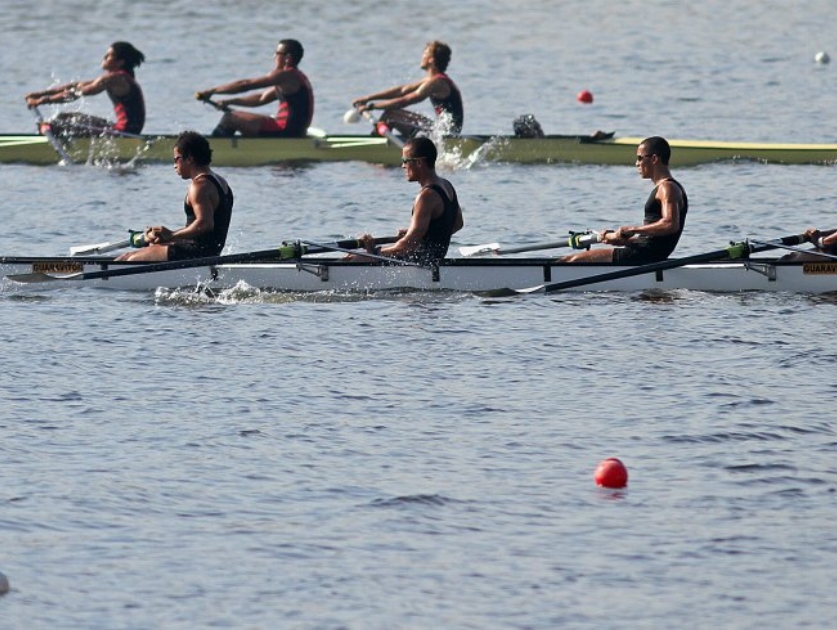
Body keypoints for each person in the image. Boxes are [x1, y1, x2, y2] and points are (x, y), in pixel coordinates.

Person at [561, 136, 688, 264]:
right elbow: (655, 239)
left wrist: (633, 229)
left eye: (640, 158)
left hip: (644, 256)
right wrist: (625, 241)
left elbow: (670, 224)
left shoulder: (667, 188)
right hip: (644, 252)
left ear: (654, 159)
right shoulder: (666, 187)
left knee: (570, 261)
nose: (636, 163)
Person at [116, 131, 233, 262]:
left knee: (127, 259)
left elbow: (205, 224)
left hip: (195, 254)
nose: (174, 165)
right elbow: (205, 233)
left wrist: (171, 235)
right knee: (149, 246)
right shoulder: (221, 182)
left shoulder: (199, 186)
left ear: (190, 158)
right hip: (206, 252)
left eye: (177, 159)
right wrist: (167, 237)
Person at [346, 137, 464, 265]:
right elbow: (458, 223)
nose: (402, 166)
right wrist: (420, 235)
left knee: (352, 258)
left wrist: (373, 252)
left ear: (419, 162)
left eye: (405, 161)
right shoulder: (447, 185)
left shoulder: (426, 196)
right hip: (431, 259)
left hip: (421, 263)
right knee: (356, 254)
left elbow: (407, 246)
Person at [196, 39, 314, 138]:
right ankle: (226, 146)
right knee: (235, 115)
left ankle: (211, 150)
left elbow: (246, 84)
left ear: (287, 58)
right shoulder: (297, 77)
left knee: (230, 118)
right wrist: (229, 102)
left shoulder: (284, 75)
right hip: (294, 132)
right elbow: (260, 99)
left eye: (277, 53)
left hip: (286, 132)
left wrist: (213, 91)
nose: (274, 57)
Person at [25, 41, 146, 136]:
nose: (104, 57)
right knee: (65, 118)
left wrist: (42, 101)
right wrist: (39, 94)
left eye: (109, 55)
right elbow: (76, 86)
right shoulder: (120, 77)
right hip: (124, 129)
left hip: (124, 133)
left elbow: (77, 93)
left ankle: (48, 145)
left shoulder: (115, 79)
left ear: (120, 62)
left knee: (59, 124)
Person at [352, 41, 464, 137]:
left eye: (424, 54)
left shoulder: (437, 82)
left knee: (390, 115)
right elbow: (402, 90)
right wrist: (368, 98)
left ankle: (376, 148)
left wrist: (371, 107)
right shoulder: (432, 80)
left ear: (431, 59)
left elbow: (406, 100)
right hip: (440, 129)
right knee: (391, 114)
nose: (422, 56)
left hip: (446, 134)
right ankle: (379, 143)